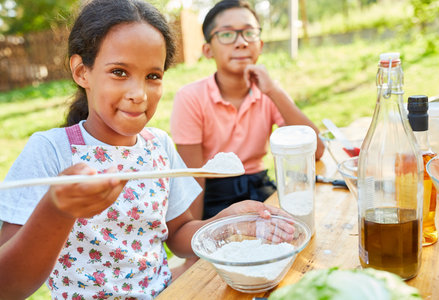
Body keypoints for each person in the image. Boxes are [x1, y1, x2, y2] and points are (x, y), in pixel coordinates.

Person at [0, 1, 292, 299]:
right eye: (119, 72)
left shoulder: (158, 146)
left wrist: (226, 223)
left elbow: (178, 235)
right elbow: (8, 286)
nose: (139, 95)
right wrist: (58, 209)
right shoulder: (51, 151)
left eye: (153, 76)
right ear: (81, 72)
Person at [171, 0, 325, 221]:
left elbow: (317, 150)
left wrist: (274, 91)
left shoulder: (269, 91)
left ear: (260, 45)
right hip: (214, 198)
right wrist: (194, 237)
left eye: (249, 33)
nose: (241, 42)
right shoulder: (190, 97)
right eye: (226, 34)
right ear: (207, 50)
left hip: (261, 189)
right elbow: (194, 178)